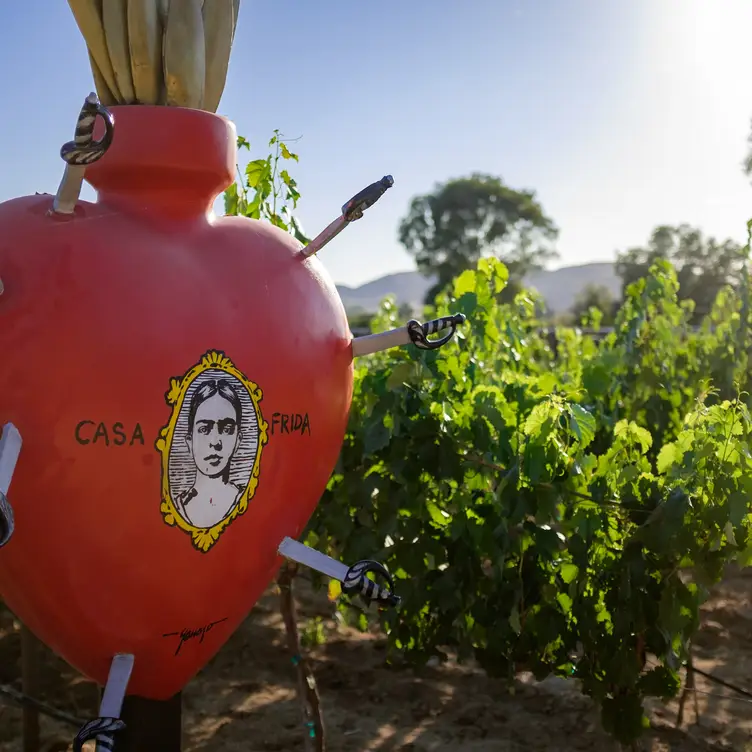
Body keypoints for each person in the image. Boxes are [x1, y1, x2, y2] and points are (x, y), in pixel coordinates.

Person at [174, 378, 244, 528]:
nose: (215, 442)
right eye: (204, 429)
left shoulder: (245, 500)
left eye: (226, 430)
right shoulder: (178, 507)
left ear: (238, 440)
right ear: (189, 441)